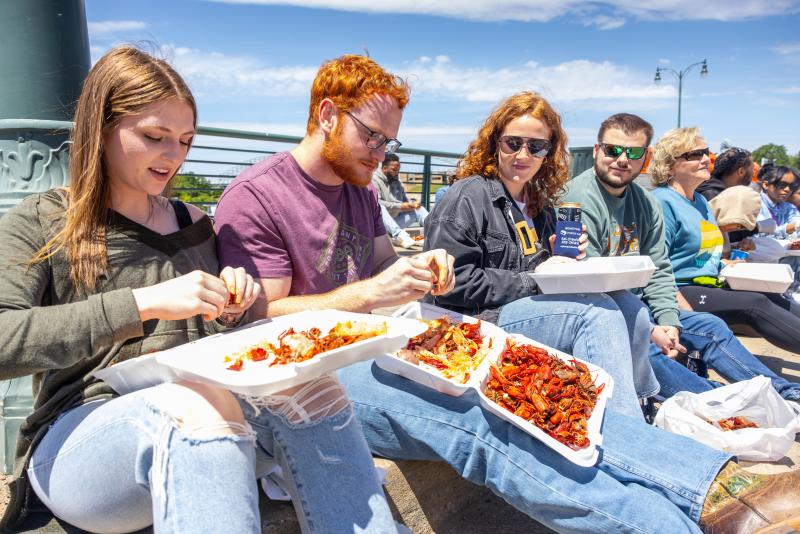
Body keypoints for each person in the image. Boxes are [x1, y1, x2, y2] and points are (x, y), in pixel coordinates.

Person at [214, 59, 800, 533]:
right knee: (488, 415)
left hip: (386, 340)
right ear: (325, 115)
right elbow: (264, 317)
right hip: (308, 377)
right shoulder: (257, 197)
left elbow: (385, 267)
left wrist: (423, 269)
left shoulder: (359, 188)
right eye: (372, 136)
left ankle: (718, 482)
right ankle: (668, 518)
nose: (381, 154)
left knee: (549, 382)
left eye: (389, 143)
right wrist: (380, 289)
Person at [0, 46, 397, 534]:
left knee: (314, 388)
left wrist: (231, 305)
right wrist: (140, 305)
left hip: (213, 422)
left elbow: (211, 340)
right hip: (83, 439)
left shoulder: (193, 221)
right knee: (194, 404)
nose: (175, 156)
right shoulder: (42, 221)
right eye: (154, 137)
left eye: (186, 140)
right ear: (100, 127)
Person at [423, 92, 657, 417]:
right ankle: (625, 432)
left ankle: (641, 403)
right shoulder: (468, 196)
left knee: (630, 306)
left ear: (548, 151)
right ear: (494, 143)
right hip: (474, 319)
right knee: (597, 313)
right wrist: (535, 279)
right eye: (513, 143)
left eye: (536, 146)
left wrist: (563, 260)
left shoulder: (539, 204)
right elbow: (453, 284)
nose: (524, 154)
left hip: (517, 310)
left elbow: (541, 273)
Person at [562, 115, 800, 403]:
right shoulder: (578, 200)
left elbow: (660, 268)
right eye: (613, 150)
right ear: (597, 150)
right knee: (645, 349)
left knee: (711, 327)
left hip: (643, 306)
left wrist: (670, 321)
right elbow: (591, 286)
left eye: (633, 152)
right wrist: (651, 330)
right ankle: (727, 406)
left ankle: (786, 394)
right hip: (602, 313)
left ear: (645, 158)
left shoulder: (645, 202)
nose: (622, 160)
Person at [649, 127, 800, 355]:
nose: (705, 159)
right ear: (669, 165)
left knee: (772, 295)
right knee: (755, 304)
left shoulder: (699, 201)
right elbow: (657, 266)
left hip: (709, 281)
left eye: (705, 152)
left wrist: (724, 264)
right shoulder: (661, 202)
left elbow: (701, 254)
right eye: (694, 155)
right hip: (680, 289)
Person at [372, 153, 428, 247]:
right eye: (394, 170)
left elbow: (405, 201)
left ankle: (434, 232)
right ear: (385, 168)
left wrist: (412, 204)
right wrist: (401, 206)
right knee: (379, 206)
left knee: (419, 210)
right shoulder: (374, 180)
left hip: (394, 222)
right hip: (379, 225)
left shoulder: (397, 181)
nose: (397, 173)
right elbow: (376, 203)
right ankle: (398, 236)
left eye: (398, 170)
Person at [757, 164, 800, 238]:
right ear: (766, 185)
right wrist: (792, 227)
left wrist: (796, 226)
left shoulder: (788, 206)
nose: (787, 189)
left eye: (792, 186)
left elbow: (796, 221)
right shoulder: (755, 204)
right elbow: (761, 234)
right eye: (782, 185)